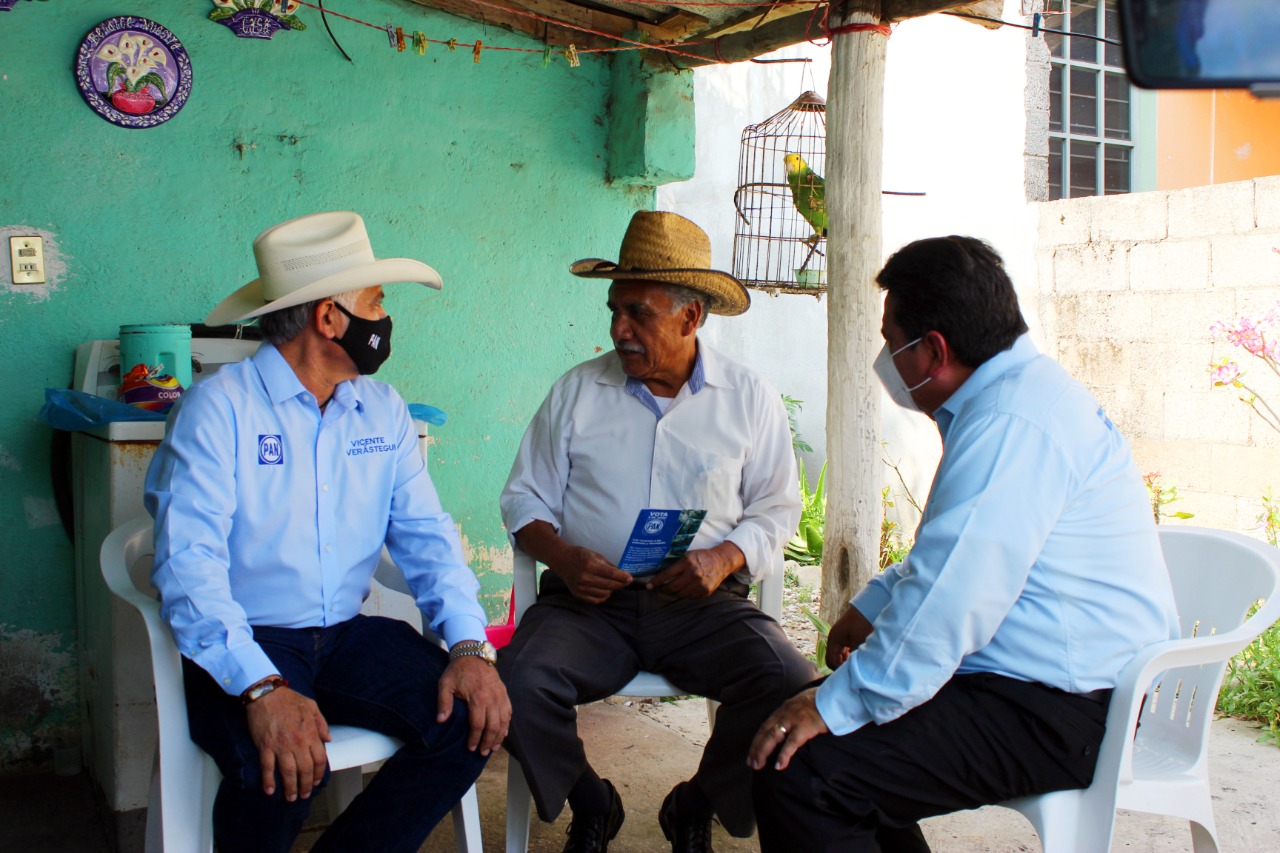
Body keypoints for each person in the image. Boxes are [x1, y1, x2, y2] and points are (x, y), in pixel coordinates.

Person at [748, 235, 1180, 853]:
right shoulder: (1018, 400)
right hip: (1042, 685)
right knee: (842, 743)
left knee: (801, 767)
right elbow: (954, 556)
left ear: (933, 351)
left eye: (890, 338)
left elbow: (952, 602)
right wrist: (872, 605)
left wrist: (837, 702)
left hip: (1059, 709)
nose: (884, 356)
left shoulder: (1010, 425)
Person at [144, 211, 510, 853]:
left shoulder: (383, 409)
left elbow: (428, 538)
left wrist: (470, 647)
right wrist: (260, 686)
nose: (384, 316)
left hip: (344, 636)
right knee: (282, 769)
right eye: (375, 302)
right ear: (329, 318)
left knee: (472, 720)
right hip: (248, 641)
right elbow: (188, 565)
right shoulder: (218, 409)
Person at [499, 210, 817, 853]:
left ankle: (694, 802)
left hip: (702, 607)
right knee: (511, 682)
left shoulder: (748, 398)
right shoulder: (577, 392)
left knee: (787, 683)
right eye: (615, 311)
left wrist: (726, 557)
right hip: (591, 609)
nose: (619, 330)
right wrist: (562, 557)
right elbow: (522, 498)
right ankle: (594, 801)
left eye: (638, 314)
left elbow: (778, 509)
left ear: (691, 317)